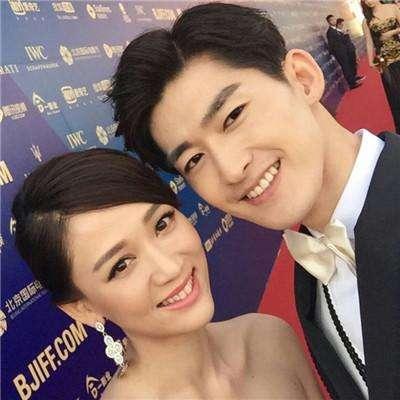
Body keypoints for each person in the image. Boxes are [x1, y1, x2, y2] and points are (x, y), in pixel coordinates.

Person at [107, 3, 400, 399]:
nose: (230, 169)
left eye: (233, 116)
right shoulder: (312, 283)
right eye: (194, 160)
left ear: (303, 78)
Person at [12, 149, 322, 399]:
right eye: (121, 265)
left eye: (162, 224)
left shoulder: (269, 338)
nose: (170, 267)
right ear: (83, 308)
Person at [361, 0, 400, 134]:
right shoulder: (366, 20)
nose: (368, 1)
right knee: (394, 94)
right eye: (365, 0)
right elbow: (369, 42)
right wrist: (371, 61)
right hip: (384, 60)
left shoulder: (392, 7)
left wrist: (392, 32)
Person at [326, 14, 364, 89]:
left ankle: (353, 79)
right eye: (332, 20)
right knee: (346, 68)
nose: (334, 21)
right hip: (340, 54)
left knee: (348, 67)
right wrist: (336, 54)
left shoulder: (335, 30)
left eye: (334, 19)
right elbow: (333, 44)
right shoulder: (330, 32)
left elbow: (341, 40)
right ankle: (352, 84)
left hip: (345, 52)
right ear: (329, 22)